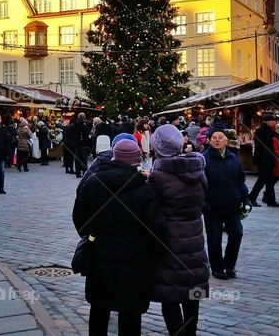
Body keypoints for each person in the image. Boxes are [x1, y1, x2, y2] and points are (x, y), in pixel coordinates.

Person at [72, 139, 164, 336]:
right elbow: (156, 228)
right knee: (130, 313)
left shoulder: (94, 181)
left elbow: (79, 216)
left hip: (99, 254)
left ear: (114, 156)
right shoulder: (144, 188)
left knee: (99, 307)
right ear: (136, 161)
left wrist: (91, 235)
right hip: (135, 259)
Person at [148, 124, 209, 336]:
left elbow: (152, 209)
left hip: (170, 242)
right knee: (192, 292)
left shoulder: (158, 176)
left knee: (171, 294)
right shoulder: (197, 170)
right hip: (194, 241)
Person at [203, 129, 248, 280]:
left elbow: (240, 180)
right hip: (212, 206)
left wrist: (245, 198)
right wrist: (204, 201)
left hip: (232, 204)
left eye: (220, 137)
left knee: (237, 233)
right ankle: (217, 268)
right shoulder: (204, 159)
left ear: (226, 141)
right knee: (214, 238)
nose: (217, 140)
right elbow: (200, 183)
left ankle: (229, 264)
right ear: (209, 140)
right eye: (214, 138)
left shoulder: (233, 158)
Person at [248, 114, 279, 207]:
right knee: (262, 180)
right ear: (268, 121)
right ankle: (252, 198)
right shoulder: (262, 131)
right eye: (274, 121)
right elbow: (263, 147)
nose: (275, 123)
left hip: (267, 159)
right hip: (264, 160)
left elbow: (278, 137)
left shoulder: (268, 130)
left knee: (269, 180)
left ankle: (270, 200)